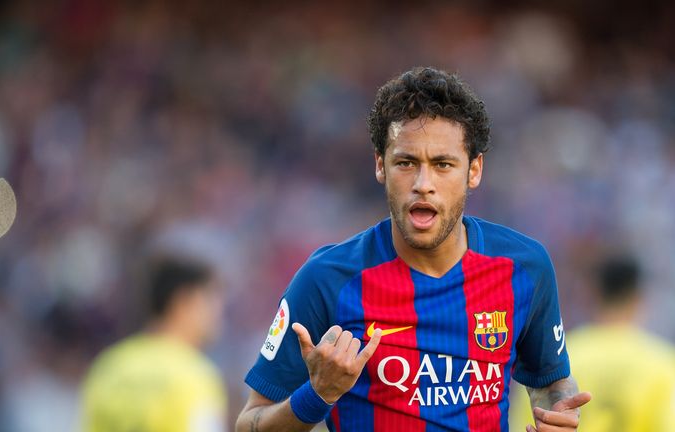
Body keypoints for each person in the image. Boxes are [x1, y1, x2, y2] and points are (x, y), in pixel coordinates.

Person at [235, 66, 591, 432]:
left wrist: (558, 411)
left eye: (442, 165)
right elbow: (249, 425)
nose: (423, 184)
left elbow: (550, 382)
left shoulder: (525, 268)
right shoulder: (327, 279)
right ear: (380, 166)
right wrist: (318, 394)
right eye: (406, 163)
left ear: (474, 170)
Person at [510, 255, 675, 432]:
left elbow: (523, 424)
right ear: (638, 298)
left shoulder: (554, 355)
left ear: (594, 295)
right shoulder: (665, 364)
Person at [81, 255, 227, 432]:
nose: (218, 311)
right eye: (210, 299)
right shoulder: (195, 375)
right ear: (183, 302)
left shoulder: (109, 365)